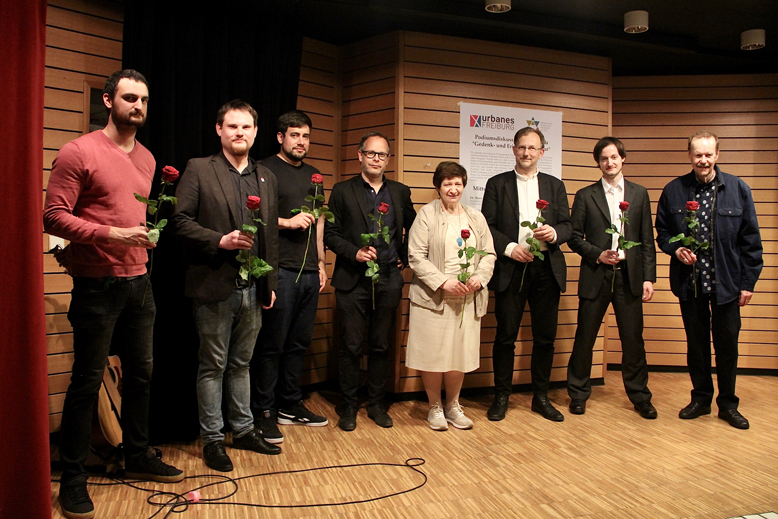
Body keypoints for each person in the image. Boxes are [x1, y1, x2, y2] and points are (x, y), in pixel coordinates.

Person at [43, 69, 184, 519]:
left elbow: (135, 215)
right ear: (108, 101)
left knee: (142, 375)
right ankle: (72, 480)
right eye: (128, 98)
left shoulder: (146, 157)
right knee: (87, 381)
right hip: (96, 286)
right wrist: (114, 234)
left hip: (140, 282)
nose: (137, 106)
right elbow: (53, 218)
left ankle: (138, 453)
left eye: (143, 99)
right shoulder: (77, 151)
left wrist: (145, 236)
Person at [169, 100, 281, 472]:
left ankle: (244, 430)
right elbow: (180, 221)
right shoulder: (200, 169)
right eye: (232, 126)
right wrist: (220, 240)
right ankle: (214, 439)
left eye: (246, 127)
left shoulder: (265, 176)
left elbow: (270, 238)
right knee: (213, 365)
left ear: (255, 132)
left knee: (242, 364)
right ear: (219, 129)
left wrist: (271, 282)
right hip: (214, 285)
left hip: (253, 288)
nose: (239, 133)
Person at [656, 130, 762, 430]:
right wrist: (676, 250)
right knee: (697, 345)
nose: (703, 160)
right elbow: (662, 233)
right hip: (690, 285)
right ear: (689, 156)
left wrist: (747, 283)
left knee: (727, 346)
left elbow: (751, 242)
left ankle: (728, 405)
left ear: (717, 155)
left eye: (708, 154)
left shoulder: (738, 189)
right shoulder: (674, 190)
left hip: (727, 285)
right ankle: (701, 399)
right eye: (697, 154)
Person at [324, 131, 416, 431]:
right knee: (350, 347)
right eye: (371, 153)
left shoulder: (400, 192)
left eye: (383, 155)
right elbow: (330, 235)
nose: (377, 159)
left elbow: (415, 228)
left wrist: (404, 254)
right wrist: (355, 253)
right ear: (360, 155)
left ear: (388, 159)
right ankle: (349, 406)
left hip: (389, 279)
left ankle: (376, 404)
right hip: (352, 280)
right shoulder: (341, 191)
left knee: (380, 346)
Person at [481, 126, 572, 422]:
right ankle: (501, 396)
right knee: (506, 336)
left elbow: (569, 226)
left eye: (533, 148)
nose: (527, 153)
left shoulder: (555, 186)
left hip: (546, 268)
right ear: (514, 149)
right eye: (522, 147)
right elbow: (487, 227)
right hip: (511, 268)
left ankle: (541, 397)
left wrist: (555, 233)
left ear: (542, 152)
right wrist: (509, 248)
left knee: (545, 338)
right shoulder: (497, 184)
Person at [252, 110, 328, 444]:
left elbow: (321, 221)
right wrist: (288, 222)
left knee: (298, 343)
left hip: (310, 271)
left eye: (306, 136)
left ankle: (290, 405)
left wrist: (323, 262)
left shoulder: (314, 175)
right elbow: (254, 214)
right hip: (279, 269)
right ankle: (264, 412)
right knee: (272, 345)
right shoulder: (264, 169)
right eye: (295, 135)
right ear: (281, 137)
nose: (301, 141)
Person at [566, 137, 657, 418]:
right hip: (596, 274)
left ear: (623, 158)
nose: (610, 162)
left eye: (614, 157)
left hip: (630, 277)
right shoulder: (585, 195)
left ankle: (640, 396)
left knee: (633, 340)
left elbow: (646, 240)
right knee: (585, 337)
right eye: (604, 158)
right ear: (598, 162)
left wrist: (648, 278)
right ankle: (578, 393)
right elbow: (573, 237)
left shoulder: (640, 194)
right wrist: (598, 254)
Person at [406, 162, 496, 430]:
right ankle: (434, 406)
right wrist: (444, 281)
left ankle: (453, 405)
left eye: (458, 184)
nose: (453, 189)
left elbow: (488, 254)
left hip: (467, 298)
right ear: (438, 187)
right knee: (433, 354)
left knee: (458, 354)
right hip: (434, 298)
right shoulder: (425, 215)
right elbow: (415, 256)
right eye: (447, 184)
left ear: (464, 186)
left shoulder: (475, 217)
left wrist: (479, 278)